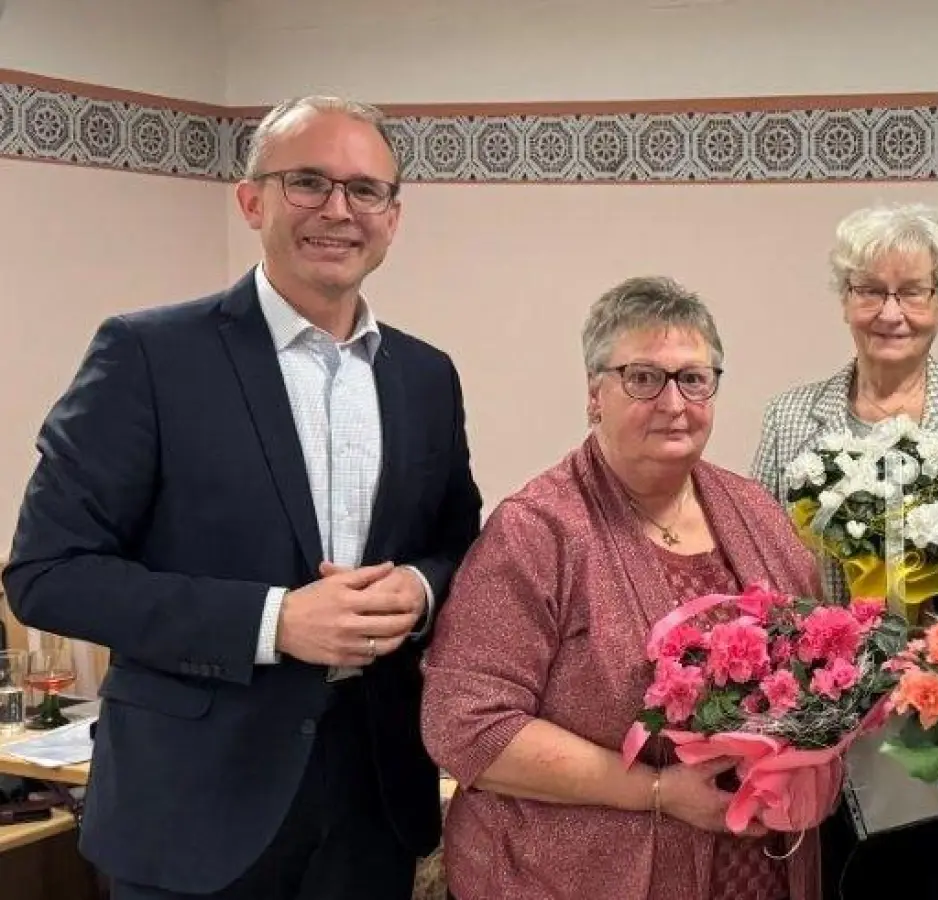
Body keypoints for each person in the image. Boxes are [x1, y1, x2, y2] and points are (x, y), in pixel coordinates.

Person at [1, 96, 482, 899]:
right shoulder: (148, 355)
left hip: (373, 803)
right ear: (251, 200)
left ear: (393, 219)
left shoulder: (426, 377)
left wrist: (422, 589)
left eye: (365, 190)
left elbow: (460, 544)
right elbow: (48, 572)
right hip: (192, 810)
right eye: (308, 182)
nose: (338, 210)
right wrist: (273, 622)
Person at [420, 277, 822, 900]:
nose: (673, 402)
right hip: (578, 876)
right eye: (643, 378)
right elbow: (467, 725)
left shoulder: (755, 512)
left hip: (756, 870)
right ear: (594, 396)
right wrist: (656, 791)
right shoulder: (537, 530)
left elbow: (817, 669)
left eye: (694, 378)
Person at [750, 201, 938, 899]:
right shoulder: (794, 416)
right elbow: (755, 555)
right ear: (845, 299)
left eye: (913, 291)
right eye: (869, 290)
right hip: (821, 725)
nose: (891, 312)